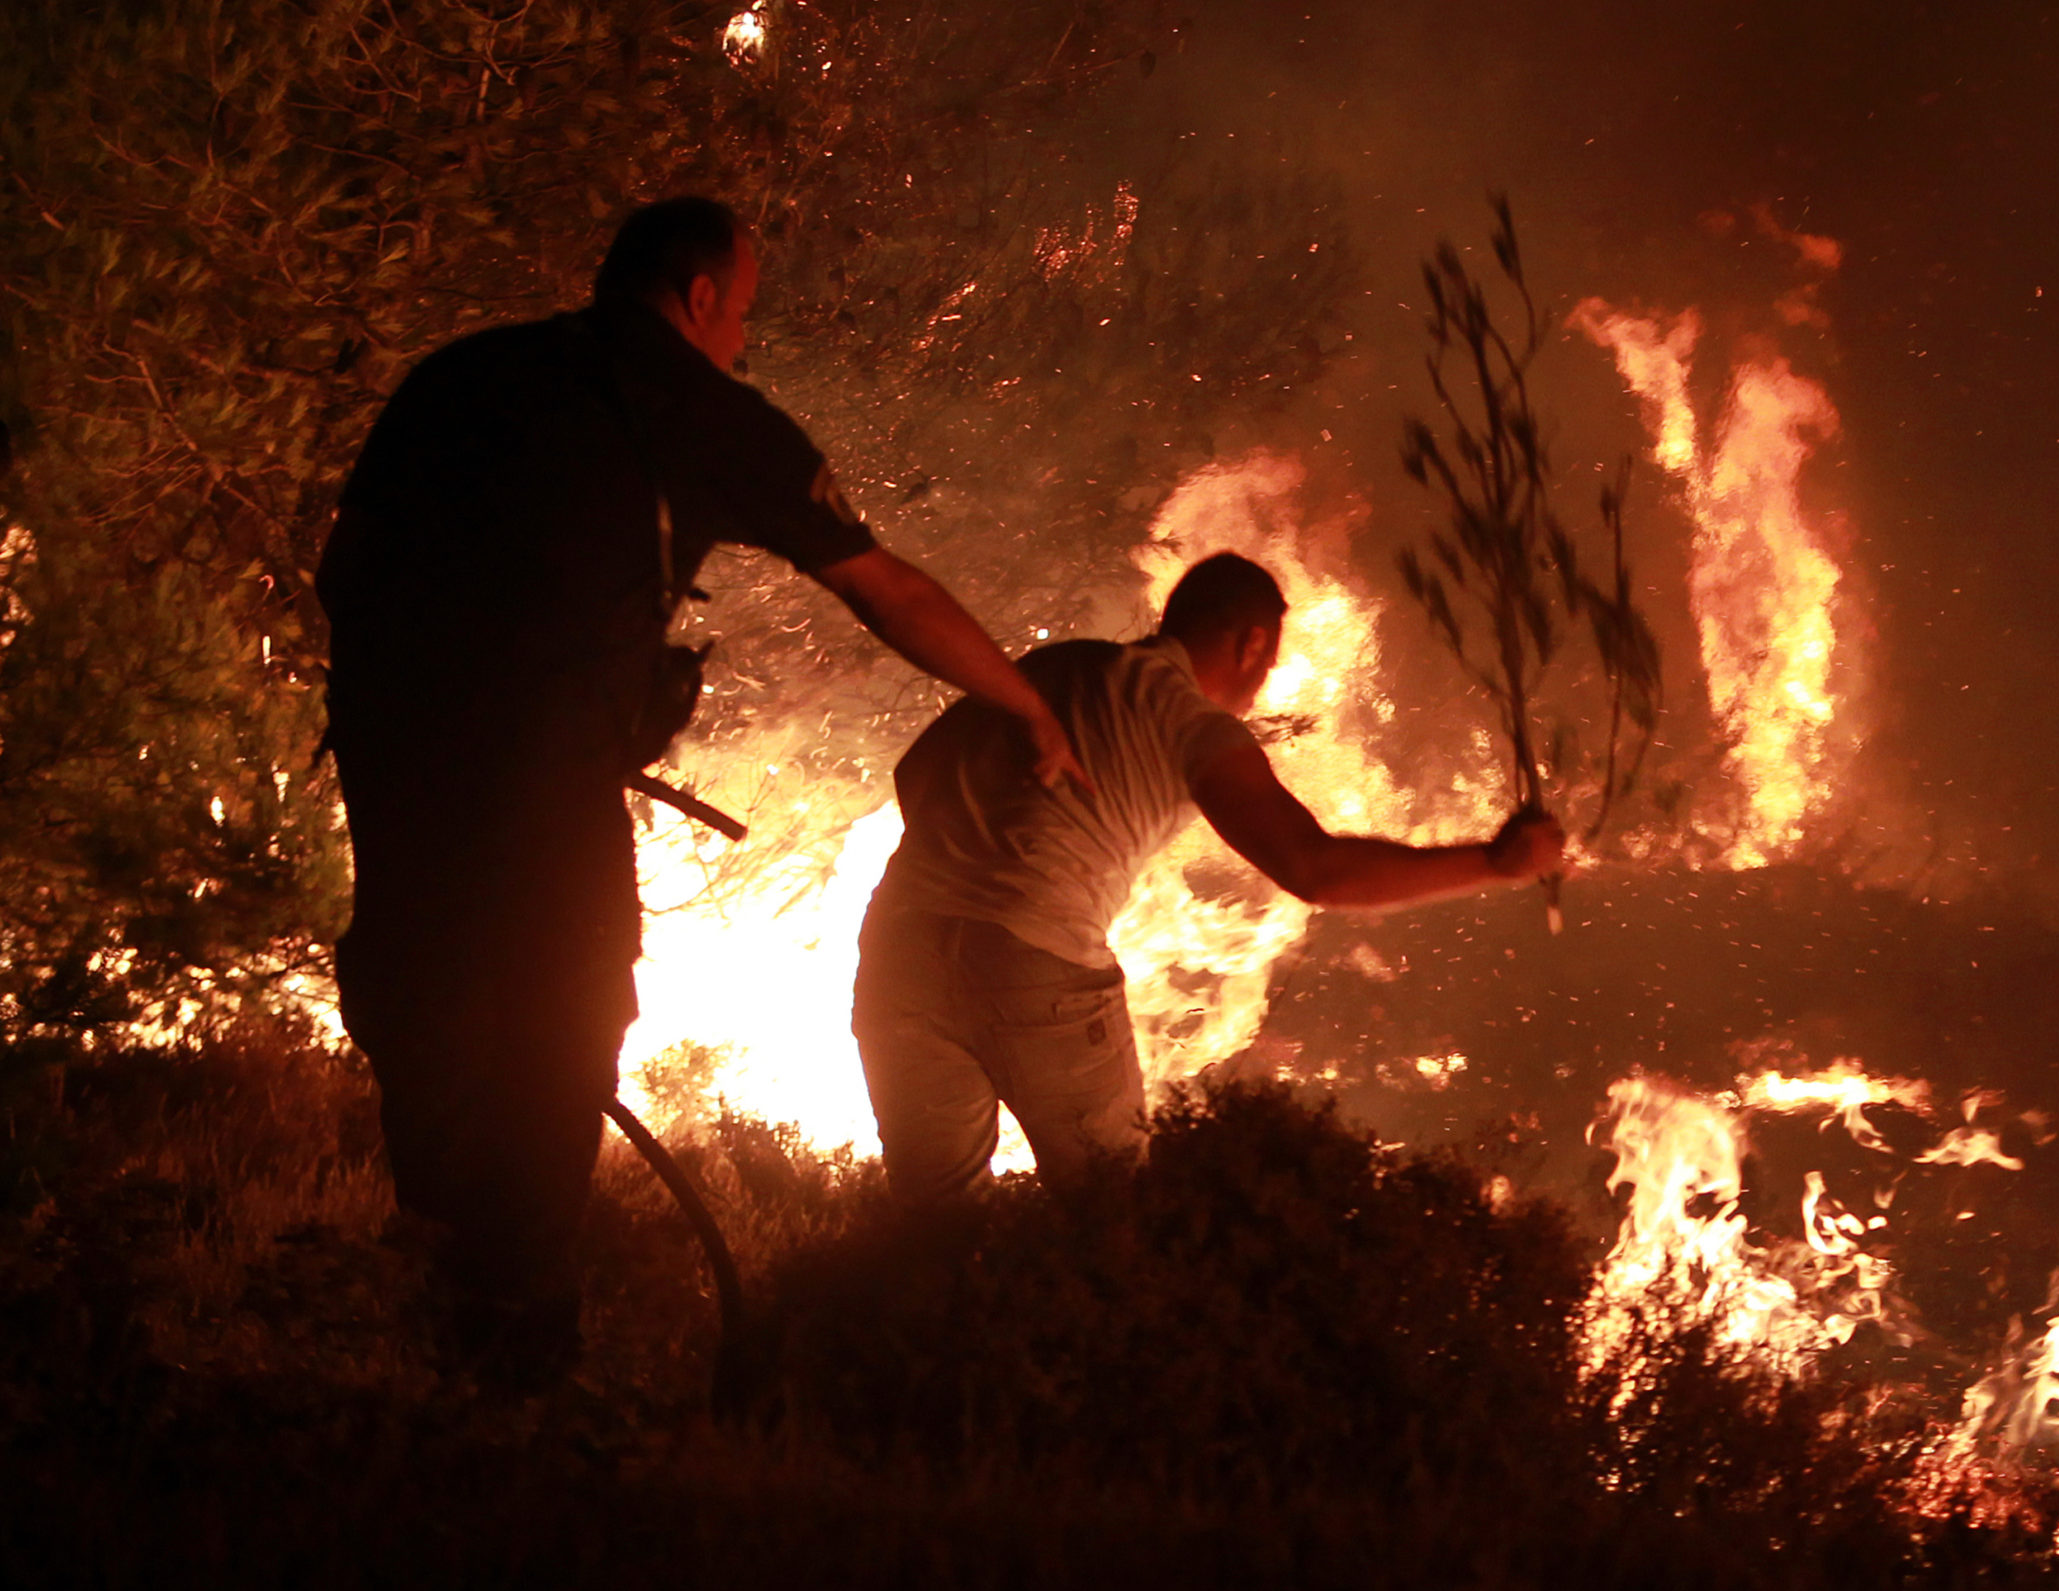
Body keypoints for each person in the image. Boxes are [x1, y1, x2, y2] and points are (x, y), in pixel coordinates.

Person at [318, 196, 1084, 1385]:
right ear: (696, 299)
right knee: (562, 1032)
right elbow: (889, 592)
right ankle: (513, 1355)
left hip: (391, 761)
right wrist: (1023, 702)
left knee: (427, 1019)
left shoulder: (462, 374)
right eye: (743, 316)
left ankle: (427, 1298)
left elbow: (346, 562)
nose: (745, 343)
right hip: (538, 782)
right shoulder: (701, 414)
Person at [855, 551, 1566, 1203]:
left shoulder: (1056, 666)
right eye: (1269, 663)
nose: (1260, 689)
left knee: (939, 1222)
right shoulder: (1190, 723)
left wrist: (979, 844)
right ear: (1251, 642)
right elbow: (1313, 871)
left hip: (896, 949)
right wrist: (1495, 864)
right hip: (1035, 962)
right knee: (1113, 1211)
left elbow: (913, 771)